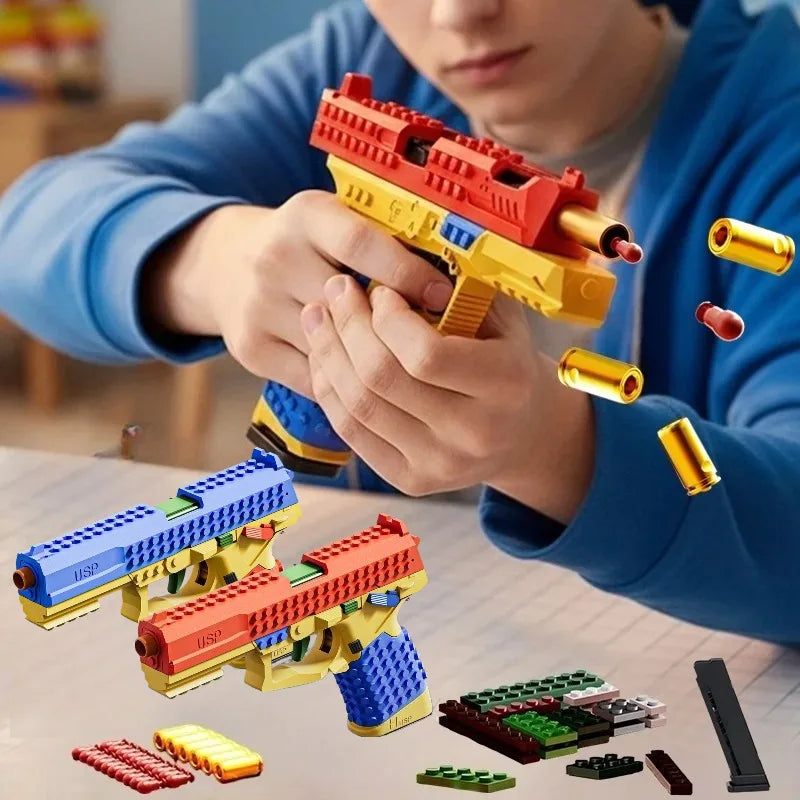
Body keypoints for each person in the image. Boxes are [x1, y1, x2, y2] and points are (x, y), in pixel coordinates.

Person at [0, 0, 799, 643]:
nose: (458, 14)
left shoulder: (774, 119)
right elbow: (27, 229)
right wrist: (212, 259)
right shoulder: (365, 60)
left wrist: (558, 452)